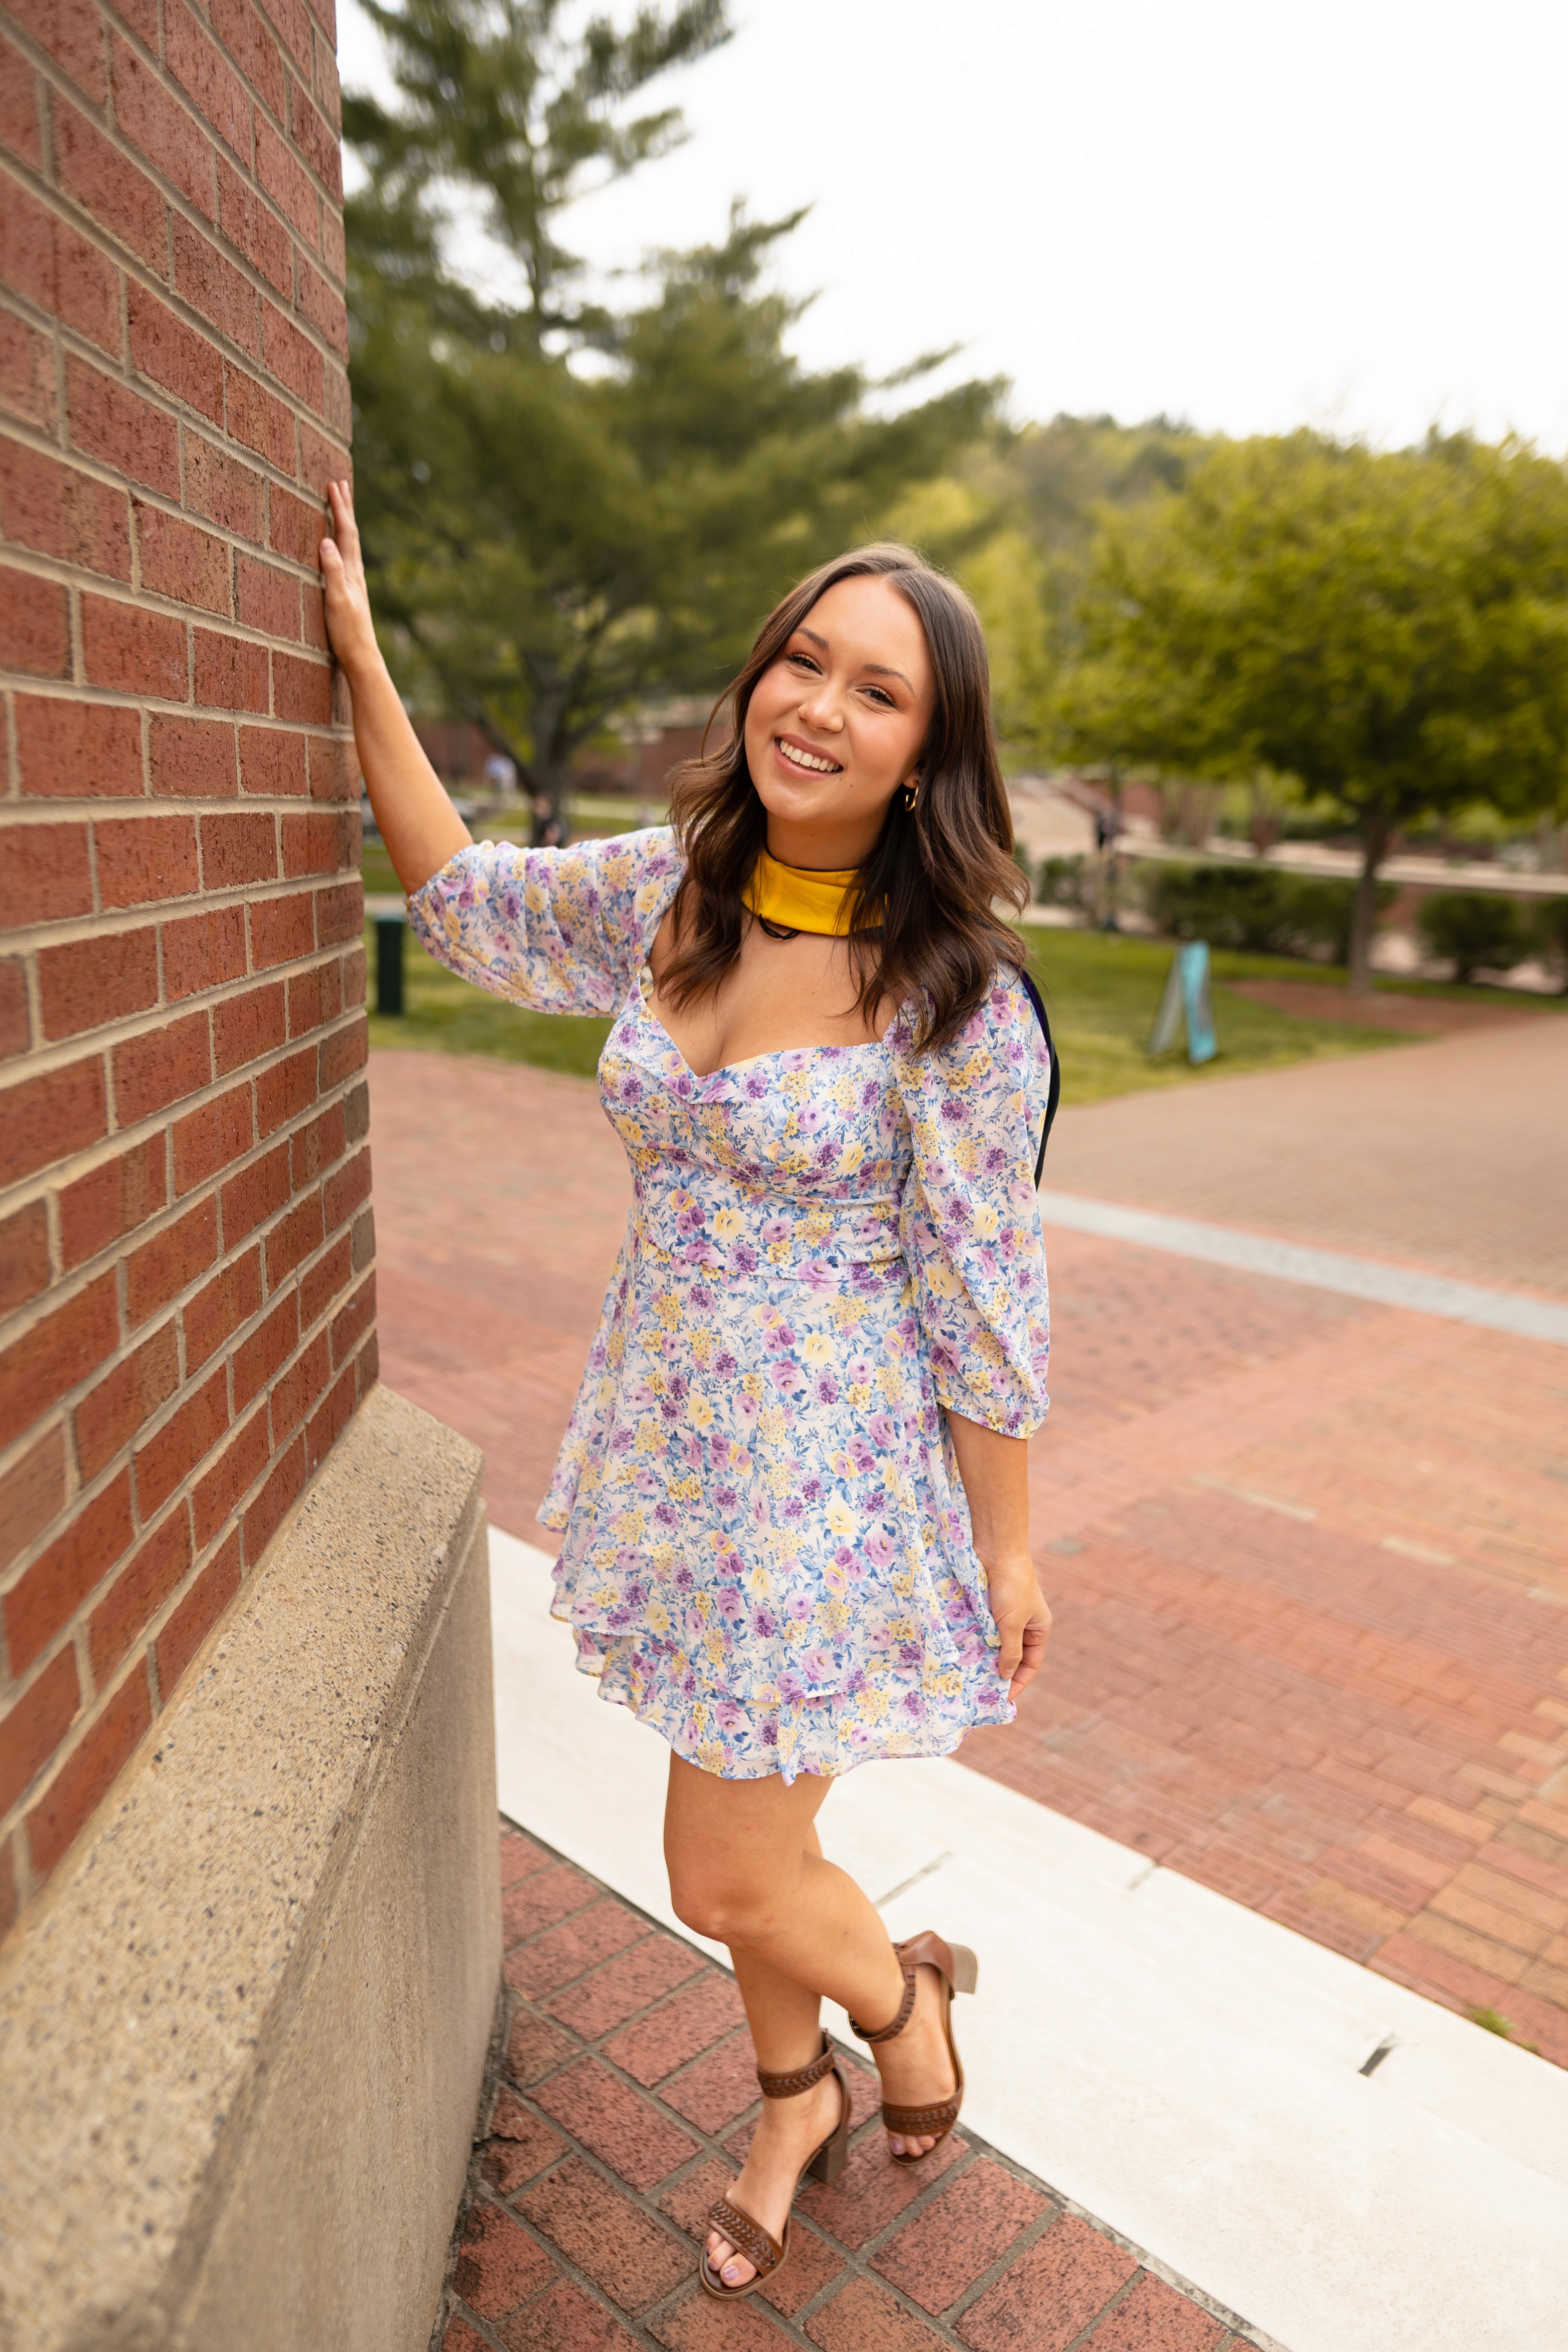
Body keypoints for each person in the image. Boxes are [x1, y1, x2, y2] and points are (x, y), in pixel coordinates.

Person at [319, 480, 1054, 2303]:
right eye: (802, 659)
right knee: (759, 1839)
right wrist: (358, 656)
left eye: (876, 692)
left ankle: (908, 2002)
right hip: (672, 1451)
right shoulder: (672, 887)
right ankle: (791, 2101)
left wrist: (1007, 1546)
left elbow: (986, 1297)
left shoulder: (959, 1002)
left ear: (926, 755)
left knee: (721, 1868)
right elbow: (460, 896)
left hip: (829, 1487)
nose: (819, 706)